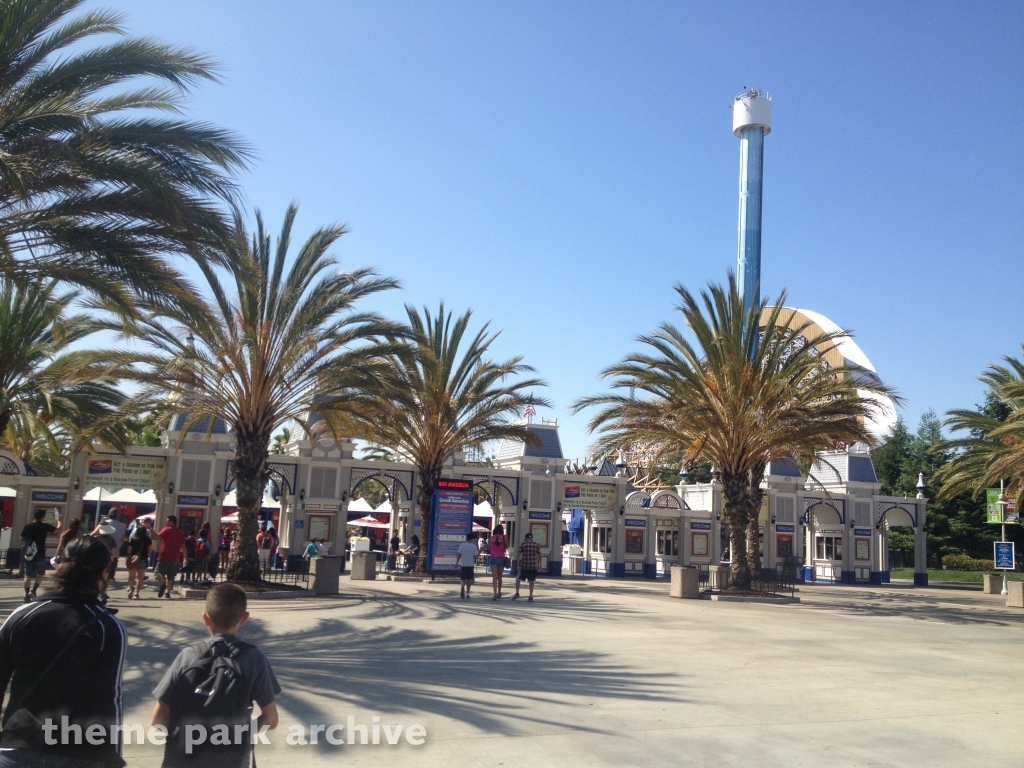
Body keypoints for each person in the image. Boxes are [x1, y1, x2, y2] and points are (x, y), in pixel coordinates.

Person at [0, 536, 127, 767]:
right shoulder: (107, 627)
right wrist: (112, 756)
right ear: (104, 573)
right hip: (78, 750)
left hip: (17, 744)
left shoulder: (22, 615)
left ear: (59, 565)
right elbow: (110, 698)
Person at [152, 583, 281, 768]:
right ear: (244, 618)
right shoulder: (253, 658)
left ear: (206, 618)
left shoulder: (188, 656)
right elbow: (271, 719)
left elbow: (157, 719)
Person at [20, 509, 60, 602]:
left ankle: (26, 595)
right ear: (43, 517)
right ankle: (34, 590)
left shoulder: (28, 526)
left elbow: (21, 537)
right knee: (41, 573)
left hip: (29, 553)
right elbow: (57, 530)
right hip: (40, 553)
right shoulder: (44, 526)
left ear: (34, 516)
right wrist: (58, 520)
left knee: (27, 575)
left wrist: (29, 542)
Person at [156, 515, 186, 599]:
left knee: (158, 572)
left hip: (164, 555)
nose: (166, 523)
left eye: (167, 521)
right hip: (175, 557)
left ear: (172, 522)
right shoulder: (180, 532)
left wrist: (150, 530)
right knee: (170, 576)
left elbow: (157, 537)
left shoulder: (166, 530)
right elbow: (183, 546)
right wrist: (185, 558)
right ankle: (167, 593)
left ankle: (162, 585)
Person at [513, 531, 541, 602]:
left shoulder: (523, 544)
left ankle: (517, 592)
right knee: (531, 581)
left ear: (525, 538)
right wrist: (539, 564)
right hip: (533, 566)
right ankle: (530, 596)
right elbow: (540, 554)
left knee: (518, 579)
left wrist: (518, 565)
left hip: (524, 565)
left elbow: (519, 555)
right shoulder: (536, 545)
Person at [126, 524, 152, 599]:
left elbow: (129, 551)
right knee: (140, 578)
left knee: (131, 577)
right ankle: (136, 594)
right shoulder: (148, 540)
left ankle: (131, 588)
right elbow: (150, 550)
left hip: (133, 560)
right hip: (143, 559)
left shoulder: (133, 540)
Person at [488, 524, 510, 600]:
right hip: (501, 557)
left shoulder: (491, 538)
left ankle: (495, 593)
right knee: (500, 577)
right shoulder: (504, 537)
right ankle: (499, 592)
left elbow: (490, 547)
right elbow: (507, 546)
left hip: (493, 557)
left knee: (494, 577)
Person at [456, 533, 479, 600]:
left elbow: (459, 554)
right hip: (470, 564)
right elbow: (475, 557)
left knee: (463, 578)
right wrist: (479, 551)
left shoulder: (462, 545)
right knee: (469, 579)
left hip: (463, 564)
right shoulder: (474, 546)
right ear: (472, 539)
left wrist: (456, 563)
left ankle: (462, 586)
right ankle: (467, 593)